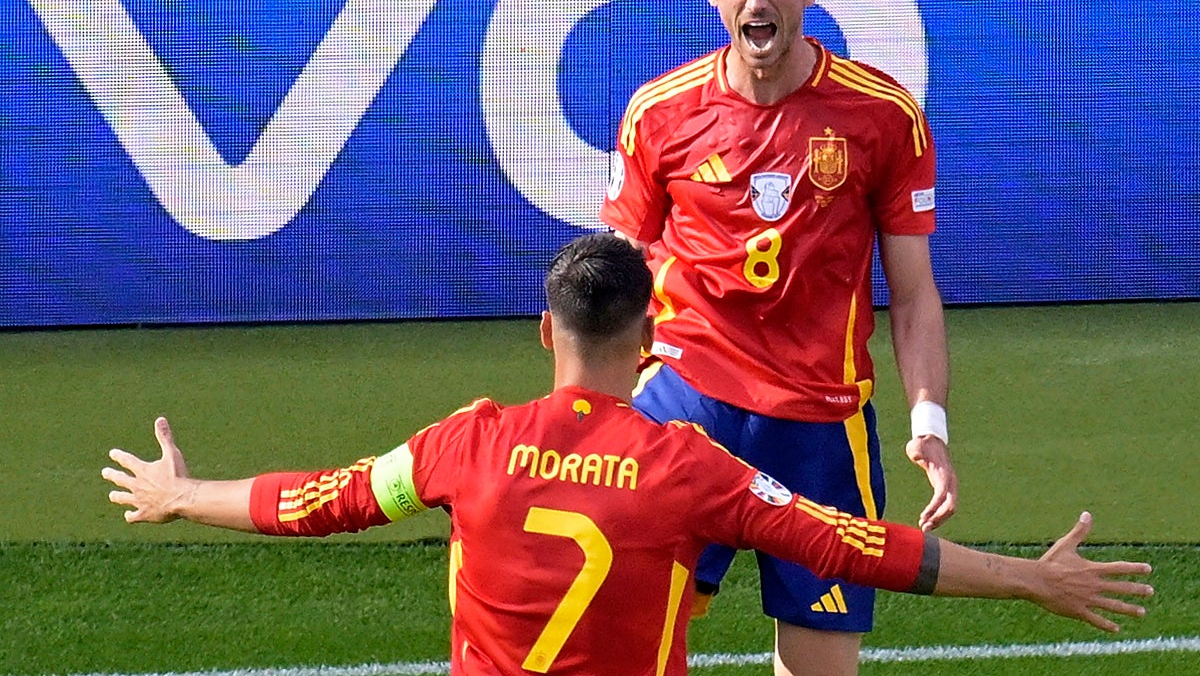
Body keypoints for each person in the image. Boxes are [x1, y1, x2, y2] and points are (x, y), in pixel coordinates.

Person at [103, 233, 1151, 675]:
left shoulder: (464, 444)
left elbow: (317, 501)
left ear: (544, 331)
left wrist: (183, 494)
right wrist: (1031, 579)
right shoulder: (693, 470)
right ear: (651, 340)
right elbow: (858, 547)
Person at [599, 0, 956, 674]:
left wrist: (929, 419)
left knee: (820, 663)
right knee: (624, 642)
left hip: (820, 425)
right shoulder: (659, 113)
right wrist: (587, 415)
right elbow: (616, 284)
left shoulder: (882, 115)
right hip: (686, 406)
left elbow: (914, 292)